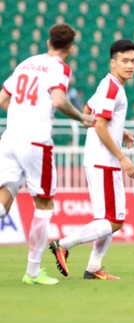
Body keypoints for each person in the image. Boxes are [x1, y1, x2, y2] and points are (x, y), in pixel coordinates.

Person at [0, 24, 94, 285]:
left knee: (2, 202)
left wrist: (19, 116)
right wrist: (81, 118)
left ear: (48, 42)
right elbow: (59, 101)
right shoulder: (60, 69)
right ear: (70, 48)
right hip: (35, 141)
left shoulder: (26, 63)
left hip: (9, 138)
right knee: (43, 206)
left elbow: (2, 99)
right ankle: (32, 272)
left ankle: (33, 271)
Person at [48, 39, 134, 280]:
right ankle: (63, 245)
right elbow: (98, 124)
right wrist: (122, 158)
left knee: (108, 219)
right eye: (125, 61)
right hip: (104, 161)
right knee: (115, 221)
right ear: (113, 62)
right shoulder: (112, 89)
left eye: (133, 61)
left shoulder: (107, 85)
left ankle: (93, 269)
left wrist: (119, 130)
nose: (130, 65)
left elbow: (88, 113)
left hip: (98, 159)